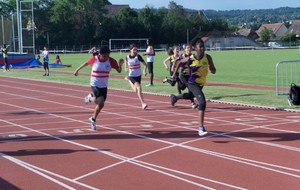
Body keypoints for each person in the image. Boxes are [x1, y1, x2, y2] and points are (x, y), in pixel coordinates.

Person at [172, 39, 216, 136]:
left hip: (201, 83)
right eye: (200, 47)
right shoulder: (191, 58)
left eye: (203, 46)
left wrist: (211, 69)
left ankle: (175, 97)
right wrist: (174, 75)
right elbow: (179, 62)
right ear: (195, 49)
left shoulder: (208, 57)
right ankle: (201, 127)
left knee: (190, 95)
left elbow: (214, 70)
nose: (202, 48)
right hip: (192, 82)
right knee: (202, 102)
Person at [73, 46, 124, 130]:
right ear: (100, 54)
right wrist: (77, 70)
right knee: (101, 102)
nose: (106, 57)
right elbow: (86, 63)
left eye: (108, 55)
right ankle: (90, 98)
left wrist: (120, 65)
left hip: (104, 85)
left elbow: (119, 70)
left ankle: (93, 118)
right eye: (104, 56)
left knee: (100, 104)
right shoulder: (95, 59)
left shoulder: (111, 61)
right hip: (94, 84)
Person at [124, 44, 148, 109]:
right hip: (132, 75)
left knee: (136, 90)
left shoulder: (138, 57)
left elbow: (145, 65)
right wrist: (126, 67)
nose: (135, 51)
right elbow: (126, 62)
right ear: (130, 50)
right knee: (139, 87)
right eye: (134, 49)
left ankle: (128, 80)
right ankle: (143, 103)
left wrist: (144, 70)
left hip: (138, 75)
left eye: (136, 49)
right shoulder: (127, 57)